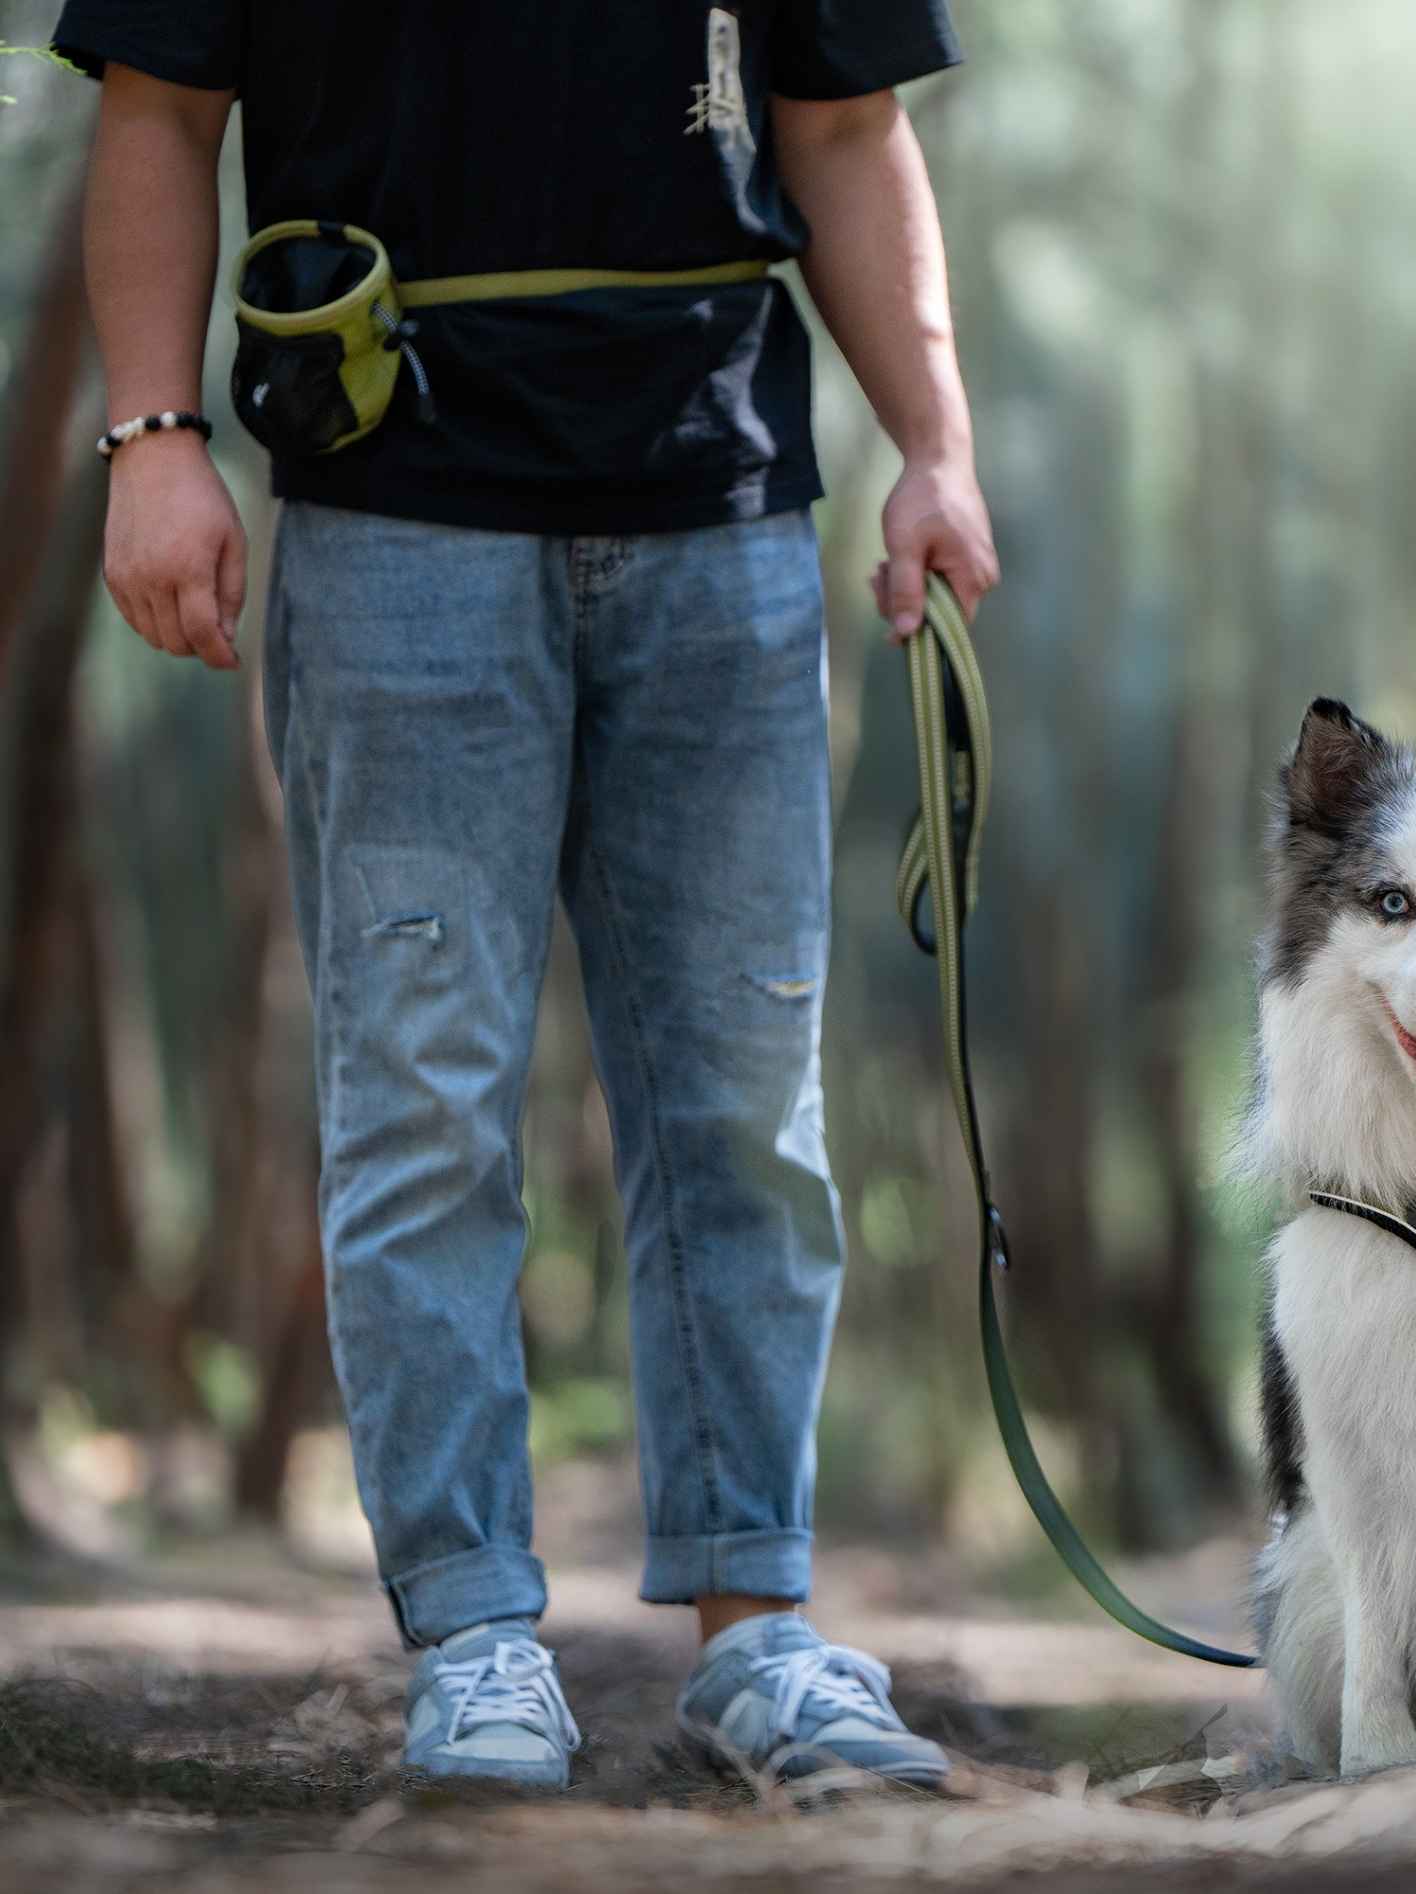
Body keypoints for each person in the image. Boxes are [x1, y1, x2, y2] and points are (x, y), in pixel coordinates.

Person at [54, 0, 998, 1791]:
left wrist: (932, 445)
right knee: (422, 1100)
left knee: (747, 1106)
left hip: (721, 520)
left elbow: (850, 131)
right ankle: (476, 1635)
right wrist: (153, 434)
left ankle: (757, 1638)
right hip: (395, 509)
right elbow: (161, 108)